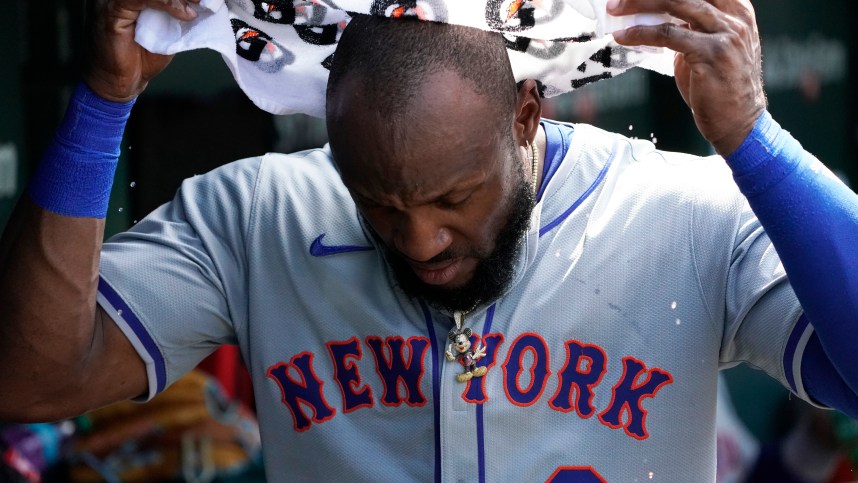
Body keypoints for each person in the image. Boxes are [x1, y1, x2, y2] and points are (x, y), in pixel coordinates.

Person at [0, 0, 856, 480]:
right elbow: (34, 377)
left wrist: (756, 140)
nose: (419, 239)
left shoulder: (682, 207)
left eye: (454, 195)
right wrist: (102, 106)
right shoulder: (257, 215)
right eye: (376, 197)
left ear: (526, 113)